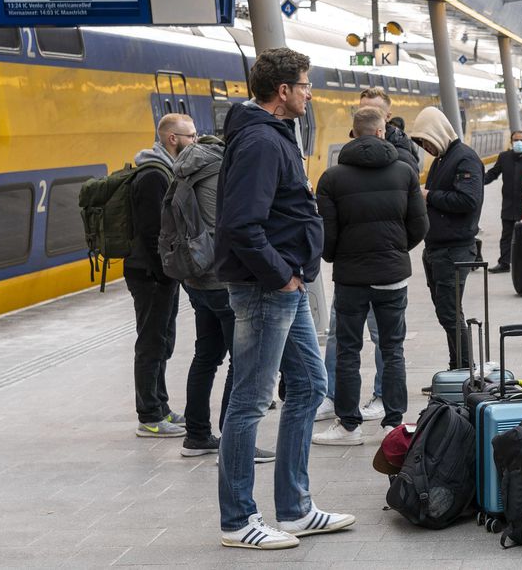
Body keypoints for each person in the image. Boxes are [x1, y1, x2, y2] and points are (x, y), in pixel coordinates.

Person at [215, 48, 353, 550]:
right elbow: (241, 224)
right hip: (266, 290)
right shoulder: (259, 141)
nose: (310, 93)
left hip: (282, 286)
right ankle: (237, 520)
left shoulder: (273, 135)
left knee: (311, 386)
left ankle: (294, 510)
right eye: (305, 84)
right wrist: (281, 277)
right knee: (249, 402)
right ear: (284, 92)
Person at [312, 107, 428, 446]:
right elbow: (420, 225)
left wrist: (337, 257)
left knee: (347, 350)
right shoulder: (405, 173)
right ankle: (394, 424)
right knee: (393, 349)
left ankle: (348, 426)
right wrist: (395, 250)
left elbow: (326, 235)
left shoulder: (332, 178)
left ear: (353, 133)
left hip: (350, 278)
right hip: (392, 277)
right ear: (382, 132)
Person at [176, 134, 275, 463]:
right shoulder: (222, 170)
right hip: (223, 279)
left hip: (195, 277)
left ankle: (197, 435)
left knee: (205, 356)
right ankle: (235, 443)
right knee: (241, 362)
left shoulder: (184, 170)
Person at [126, 113, 189, 439]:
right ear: (172, 139)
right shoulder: (153, 175)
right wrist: (167, 272)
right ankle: (149, 415)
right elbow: (154, 234)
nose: (194, 140)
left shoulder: (164, 170)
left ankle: (161, 406)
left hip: (158, 274)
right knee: (151, 343)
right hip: (150, 275)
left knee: (162, 340)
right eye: (189, 136)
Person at [409, 107, 483, 378]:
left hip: (455, 249)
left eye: (426, 140)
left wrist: (429, 195)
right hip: (437, 248)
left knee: (451, 313)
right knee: (446, 313)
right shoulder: (443, 159)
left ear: (437, 132)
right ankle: (458, 368)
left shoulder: (465, 159)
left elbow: (468, 201)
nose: (425, 147)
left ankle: (464, 371)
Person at [483, 130, 522, 273]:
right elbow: (493, 174)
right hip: (509, 203)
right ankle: (504, 262)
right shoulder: (504, 157)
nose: (518, 142)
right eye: (516, 140)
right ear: (511, 142)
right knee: (506, 235)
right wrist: (477, 181)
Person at [359, 86, 418, 170]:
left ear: (388, 116)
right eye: (363, 112)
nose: (367, 117)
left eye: (374, 113)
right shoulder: (354, 149)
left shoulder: (402, 156)